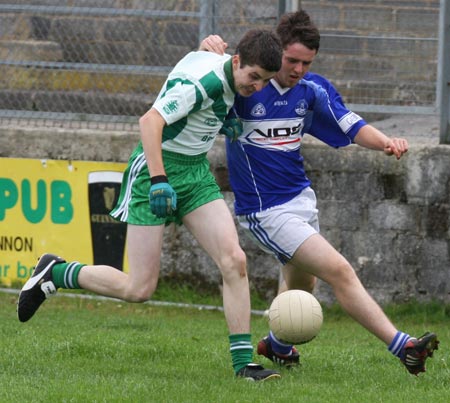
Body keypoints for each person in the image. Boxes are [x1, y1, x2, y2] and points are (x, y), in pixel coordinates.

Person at [17, 29, 284, 382]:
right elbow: (150, 121)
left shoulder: (228, 70)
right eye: (253, 78)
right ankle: (55, 273)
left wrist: (227, 116)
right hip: (153, 171)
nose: (257, 87)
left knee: (234, 260)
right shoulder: (202, 83)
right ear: (236, 61)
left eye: (265, 81)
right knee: (139, 289)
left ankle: (243, 366)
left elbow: (209, 70)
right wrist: (159, 180)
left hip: (194, 173)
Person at [200, 10, 439, 375]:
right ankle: (403, 346)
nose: (298, 69)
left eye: (306, 62)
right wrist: (206, 50)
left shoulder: (312, 89)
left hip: (301, 200)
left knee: (302, 284)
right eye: (291, 60)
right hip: (265, 211)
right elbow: (203, 79)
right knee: (339, 270)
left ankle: (277, 345)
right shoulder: (246, 87)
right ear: (274, 51)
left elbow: (351, 124)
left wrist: (386, 142)